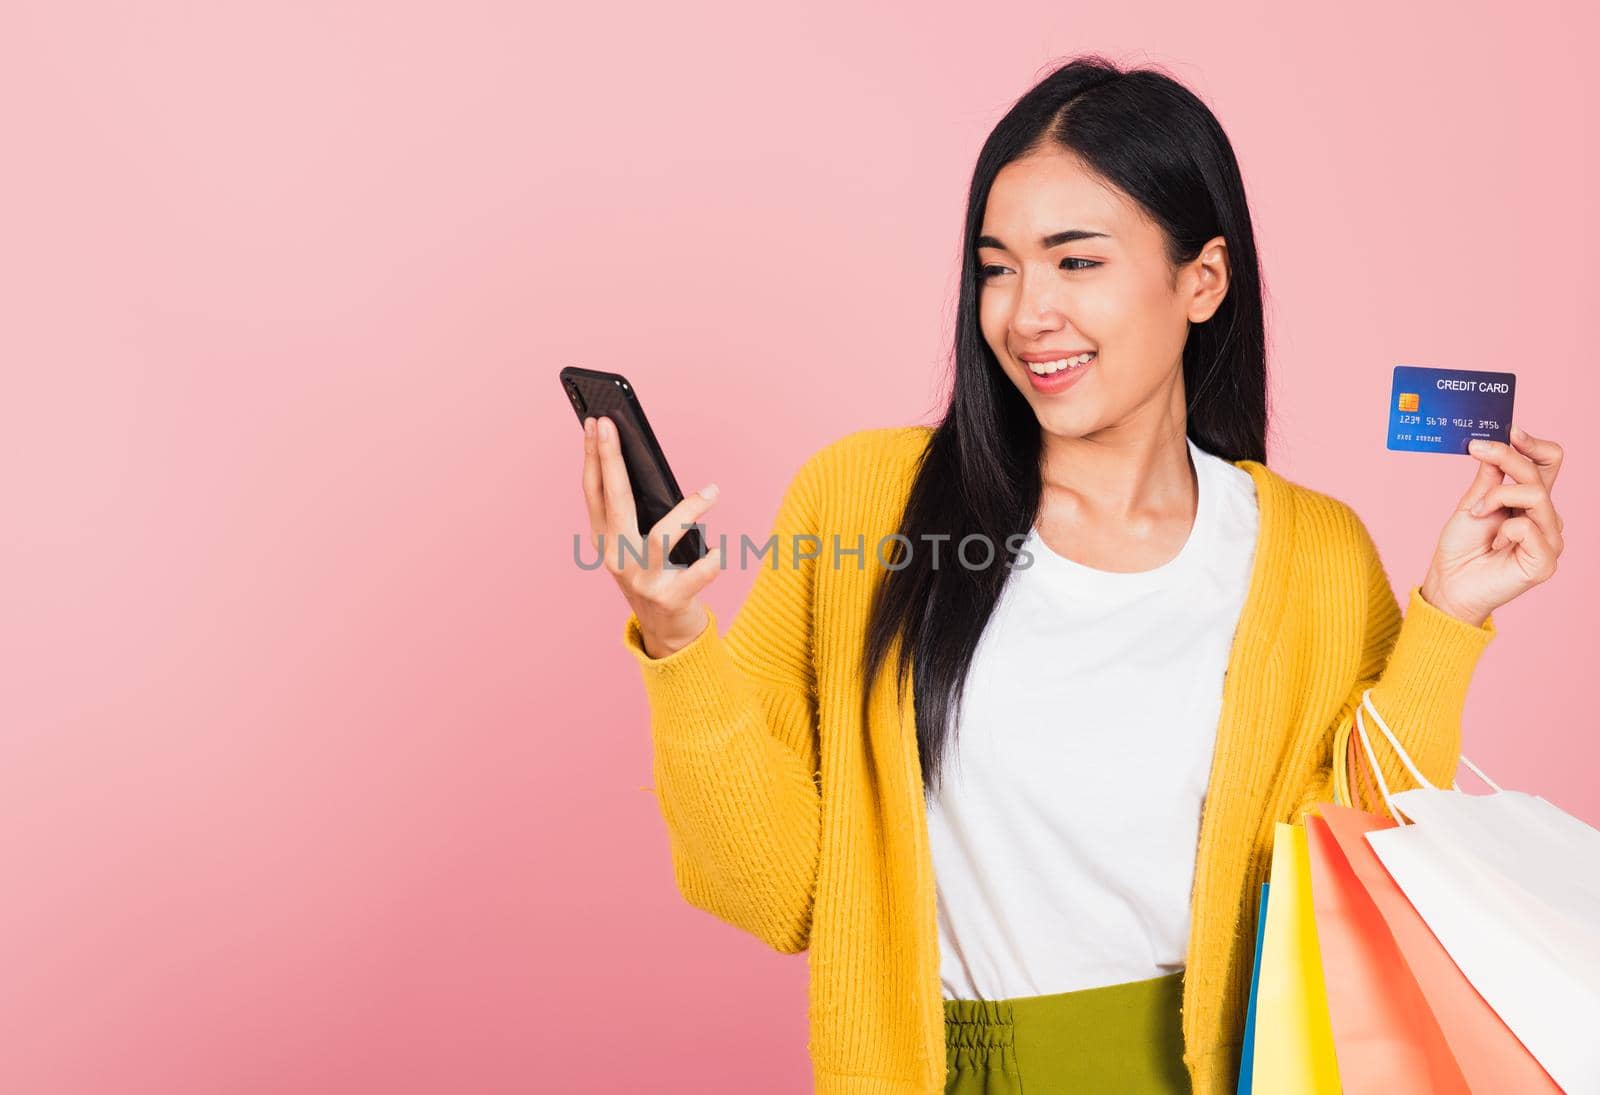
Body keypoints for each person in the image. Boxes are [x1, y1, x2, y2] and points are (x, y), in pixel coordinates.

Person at [576, 53, 1567, 1095]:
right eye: (997, 267)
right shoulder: (865, 504)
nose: (1025, 312)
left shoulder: (1313, 555)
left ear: (1202, 280)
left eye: (1075, 262)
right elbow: (771, 891)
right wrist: (680, 645)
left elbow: (1354, 881)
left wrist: (1448, 617)